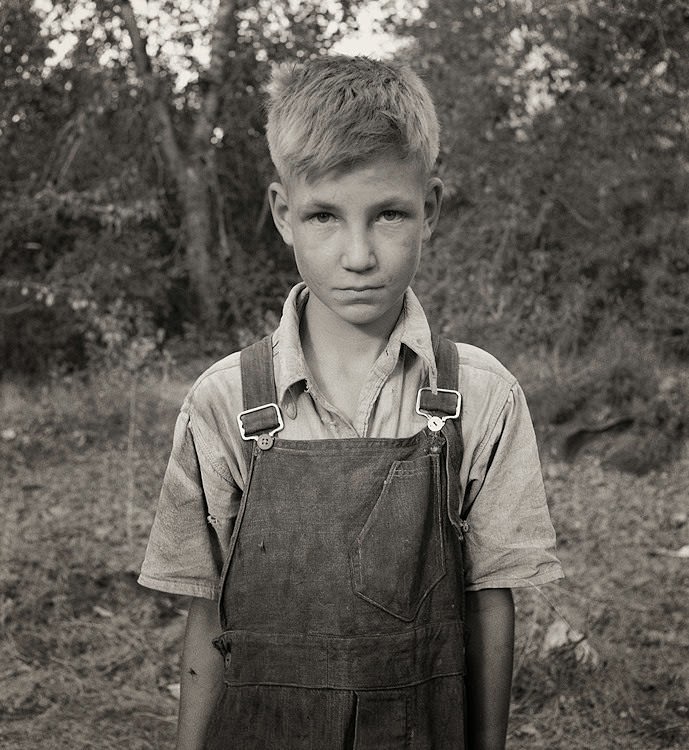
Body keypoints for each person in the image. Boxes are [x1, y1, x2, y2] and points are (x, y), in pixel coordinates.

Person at [138, 55, 563, 750]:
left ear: (430, 209)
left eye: (389, 213)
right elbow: (206, 618)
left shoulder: (480, 397)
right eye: (324, 217)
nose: (359, 255)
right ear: (283, 213)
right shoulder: (222, 402)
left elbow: (492, 604)